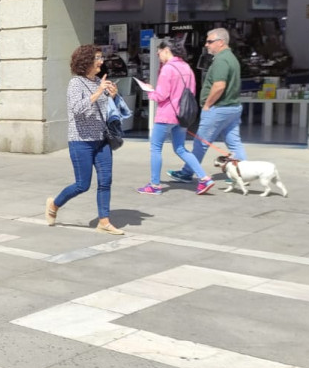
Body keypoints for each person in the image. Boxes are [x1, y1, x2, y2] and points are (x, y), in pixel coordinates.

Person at [46, 45, 125, 234]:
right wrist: (98, 93)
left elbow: (108, 111)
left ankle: (104, 221)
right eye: (97, 58)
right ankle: (54, 205)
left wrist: (113, 97)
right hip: (81, 140)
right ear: (86, 61)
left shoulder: (99, 80)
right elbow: (77, 109)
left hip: (101, 139)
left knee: (106, 180)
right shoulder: (76, 83)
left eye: (101, 57)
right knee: (83, 184)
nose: (101, 61)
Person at [168, 27, 247, 183]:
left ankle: (187, 172)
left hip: (219, 108)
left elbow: (219, 85)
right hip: (232, 107)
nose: (206, 45)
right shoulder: (231, 58)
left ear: (221, 42)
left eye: (210, 42)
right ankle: (242, 173)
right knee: (234, 142)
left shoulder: (221, 60)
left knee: (201, 142)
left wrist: (207, 105)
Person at [137, 41, 213, 196]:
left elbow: (161, 95)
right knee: (181, 148)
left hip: (166, 115)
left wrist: (150, 91)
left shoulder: (168, 69)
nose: (158, 55)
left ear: (166, 50)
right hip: (182, 115)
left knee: (156, 148)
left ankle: (155, 185)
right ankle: (204, 178)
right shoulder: (187, 68)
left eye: (159, 52)